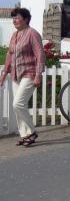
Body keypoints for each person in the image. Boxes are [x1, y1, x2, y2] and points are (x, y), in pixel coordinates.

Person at [0, 8, 45, 147]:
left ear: (26, 19)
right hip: (16, 75)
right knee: (19, 107)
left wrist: (38, 75)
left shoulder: (33, 34)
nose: (14, 20)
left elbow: (40, 55)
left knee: (17, 104)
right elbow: (10, 54)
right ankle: (26, 135)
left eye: (17, 17)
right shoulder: (15, 35)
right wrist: (4, 74)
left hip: (29, 73)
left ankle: (31, 132)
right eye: (13, 18)